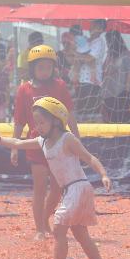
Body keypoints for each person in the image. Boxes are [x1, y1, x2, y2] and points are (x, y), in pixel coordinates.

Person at [0, 97, 111, 259]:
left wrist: (103, 174)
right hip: (71, 190)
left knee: (59, 230)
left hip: (78, 187)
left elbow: (89, 157)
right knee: (80, 233)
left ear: (55, 120)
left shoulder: (67, 139)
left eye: (42, 122)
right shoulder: (42, 141)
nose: (38, 127)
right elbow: (18, 144)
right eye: (36, 123)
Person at [12, 44, 81, 240]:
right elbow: (19, 121)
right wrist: (15, 147)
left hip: (58, 144)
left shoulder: (59, 86)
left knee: (58, 188)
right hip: (36, 144)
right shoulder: (24, 90)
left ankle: (44, 218)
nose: (44, 71)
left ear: (54, 68)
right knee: (40, 187)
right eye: (40, 67)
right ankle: (40, 229)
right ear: (32, 67)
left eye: (48, 67)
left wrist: (76, 136)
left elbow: (69, 113)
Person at [72, 19, 107, 122]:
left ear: (101, 29)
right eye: (91, 25)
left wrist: (76, 54)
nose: (91, 28)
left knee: (91, 115)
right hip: (81, 81)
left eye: (94, 26)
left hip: (92, 82)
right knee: (80, 113)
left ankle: (92, 137)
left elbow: (89, 59)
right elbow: (77, 60)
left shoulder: (99, 42)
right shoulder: (86, 40)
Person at [101, 30, 130, 123]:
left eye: (108, 41)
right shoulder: (109, 55)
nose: (107, 44)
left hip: (121, 92)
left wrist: (126, 93)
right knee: (110, 120)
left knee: (121, 120)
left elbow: (129, 74)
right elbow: (104, 71)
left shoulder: (126, 55)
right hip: (108, 93)